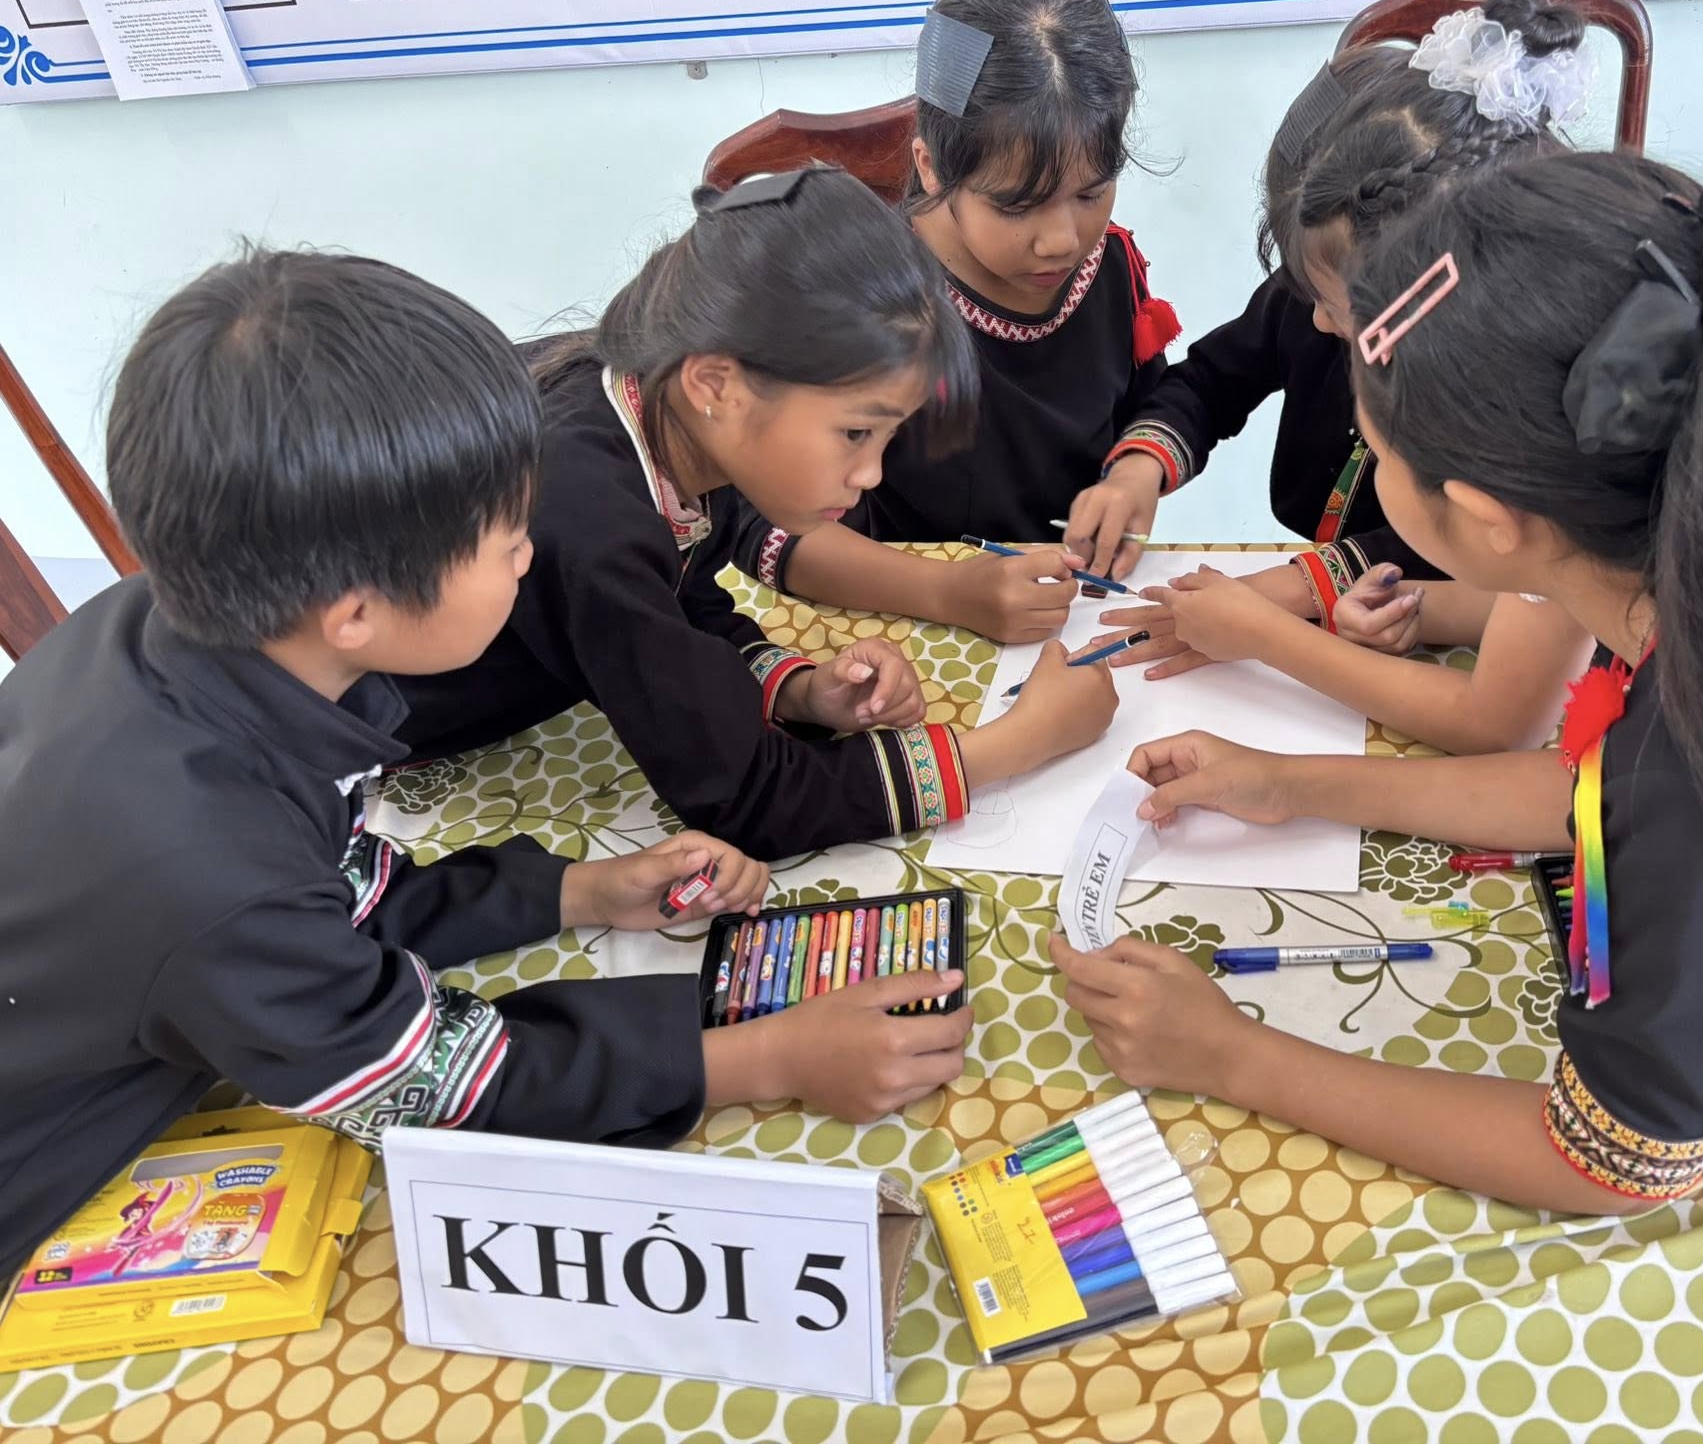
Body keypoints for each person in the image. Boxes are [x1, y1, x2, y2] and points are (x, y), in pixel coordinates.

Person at [1055, 152, 1703, 1234]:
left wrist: (1231, 1054)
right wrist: (1286, 782)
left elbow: (1616, 1160)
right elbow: (1591, 792)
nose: (1372, 474)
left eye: (1378, 455)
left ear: (1488, 519)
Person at [0, 249, 976, 1277]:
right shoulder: (206, 870)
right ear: (357, 611)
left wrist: (573, 891)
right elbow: (430, 1084)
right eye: (507, 535)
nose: (527, 552)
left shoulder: (169, 635)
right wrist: (764, 1057)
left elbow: (329, 894)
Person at [394, 167, 1118, 858]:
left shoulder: (650, 409)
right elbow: (749, 798)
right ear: (717, 385)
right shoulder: (587, 516)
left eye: (888, 436)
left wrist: (799, 691)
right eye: (856, 433)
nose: (871, 475)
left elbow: (677, 605)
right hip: (387, 763)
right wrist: (1018, 742)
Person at [1094, 0, 1600, 755]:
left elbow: (1500, 716)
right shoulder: (1322, 291)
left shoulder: (1534, 445)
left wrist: (1281, 615)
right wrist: (1142, 466)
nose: (1322, 324)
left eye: (1337, 307)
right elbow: (1215, 379)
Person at [732, 0, 1180, 645]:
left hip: (1065, 610)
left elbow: (1152, 402)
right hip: (896, 620)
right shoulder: (857, 299)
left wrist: (1133, 472)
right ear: (931, 165)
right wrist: (948, 591)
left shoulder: (1110, 263)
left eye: (1091, 193)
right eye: (1017, 205)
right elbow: (759, 525)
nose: (1062, 240)